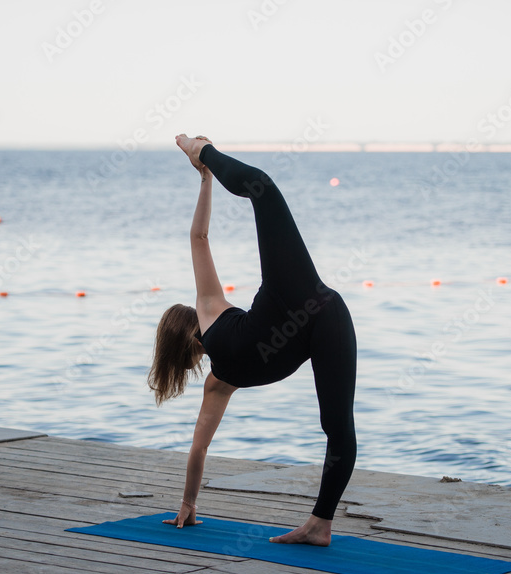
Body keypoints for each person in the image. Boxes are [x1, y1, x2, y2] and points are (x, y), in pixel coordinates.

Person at [148, 134, 358, 546]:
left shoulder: (214, 345)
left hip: (294, 301)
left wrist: (205, 175)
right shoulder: (215, 362)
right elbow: (199, 239)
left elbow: (199, 239)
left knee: (261, 187)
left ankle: (202, 149)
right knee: (335, 426)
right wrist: (204, 179)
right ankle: (319, 525)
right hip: (322, 312)